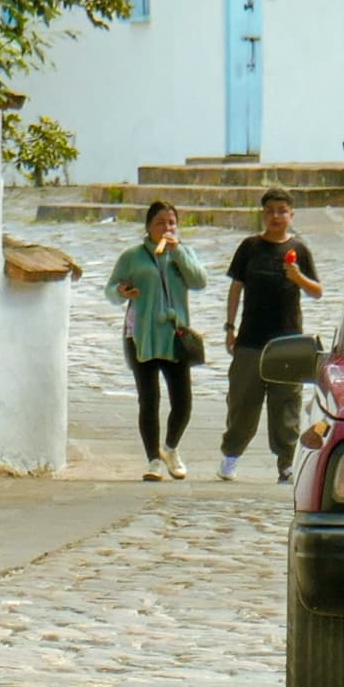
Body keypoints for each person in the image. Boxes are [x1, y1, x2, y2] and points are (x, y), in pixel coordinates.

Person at [219, 190, 325, 480]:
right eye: (270, 211)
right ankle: (230, 455)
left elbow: (317, 291)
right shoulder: (249, 247)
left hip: (288, 343)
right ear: (262, 214)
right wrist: (230, 328)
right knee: (242, 402)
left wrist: (297, 276)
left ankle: (286, 464)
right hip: (251, 339)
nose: (276, 216)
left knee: (286, 406)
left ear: (291, 215)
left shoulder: (299, 250)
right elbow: (235, 288)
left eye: (282, 211)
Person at [108, 203, 206, 481]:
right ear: (149, 227)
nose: (167, 228)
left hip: (175, 336)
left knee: (183, 401)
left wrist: (179, 254)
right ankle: (152, 459)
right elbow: (111, 289)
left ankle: (170, 449)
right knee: (148, 400)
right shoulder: (133, 257)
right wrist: (122, 290)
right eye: (160, 223)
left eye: (172, 223)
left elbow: (199, 281)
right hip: (141, 334)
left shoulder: (183, 253)